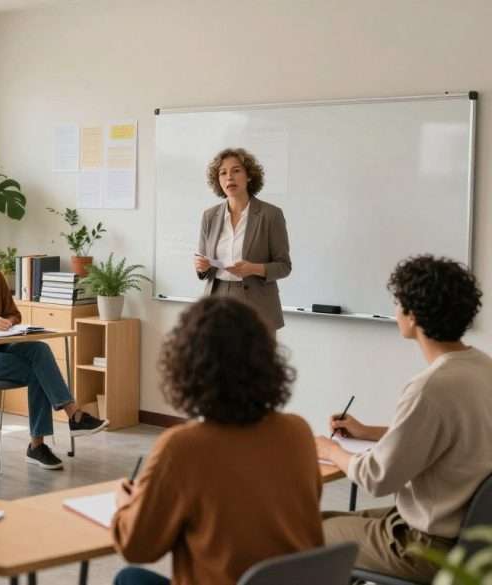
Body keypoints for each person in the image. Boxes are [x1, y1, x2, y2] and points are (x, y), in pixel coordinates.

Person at [113, 297, 322, 585]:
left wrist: (126, 504)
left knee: (129, 578)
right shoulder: (298, 433)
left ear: (185, 368)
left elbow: (137, 547)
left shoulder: (182, 448)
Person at [315, 255, 492, 582]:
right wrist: (366, 431)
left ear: (412, 316)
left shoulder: (430, 388)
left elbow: (377, 478)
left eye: (398, 303)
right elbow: (446, 436)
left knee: (306, 532)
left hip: (424, 545)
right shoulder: (483, 368)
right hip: (469, 538)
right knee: (324, 520)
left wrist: (329, 450)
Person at [0, 223, 108, 471]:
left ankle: (63, 424)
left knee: (39, 350)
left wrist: (7, 323)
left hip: (2, 347)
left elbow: (14, 314)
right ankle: (51, 435)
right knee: (39, 370)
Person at [194, 148, 291, 331]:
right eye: (223, 173)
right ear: (218, 181)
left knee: (255, 360)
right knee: (216, 360)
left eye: (236, 170)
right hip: (217, 302)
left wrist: (253, 268)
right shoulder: (209, 216)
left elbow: (284, 266)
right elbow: (202, 266)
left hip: (257, 304)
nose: (229, 177)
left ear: (249, 176)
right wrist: (201, 266)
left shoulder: (270, 215)